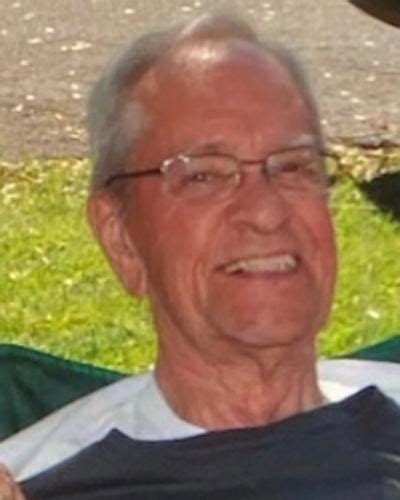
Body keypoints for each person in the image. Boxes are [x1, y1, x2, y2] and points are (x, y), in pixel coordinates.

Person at [1, 12, 400, 499]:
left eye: (293, 167)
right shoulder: (43, 480)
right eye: (204, 176)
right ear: (121, 237)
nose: (266, 212)